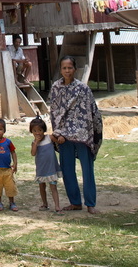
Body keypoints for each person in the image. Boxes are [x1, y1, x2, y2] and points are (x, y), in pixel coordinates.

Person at [49, 55, 103, 215]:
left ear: (75, 69)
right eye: (64, 68)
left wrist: (92, 133)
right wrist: (58, 132)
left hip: (83, 135)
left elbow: (91, 112)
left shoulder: (83, 89)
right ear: (60, 69)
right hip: (63, 136)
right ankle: (75, 202)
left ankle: (90, 203)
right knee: (67, 170)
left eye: (70, 68)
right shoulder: (55, 88)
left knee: (87, 170)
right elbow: (54, 112)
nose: (67, 71)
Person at [30, 116, 61, 212]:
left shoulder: (49, 138)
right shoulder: (34, 142)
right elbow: (33, 153)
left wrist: (59, 137)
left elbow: (59, 142)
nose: (37, 133)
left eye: (40, 130)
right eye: (35, 131)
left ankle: (57, 206)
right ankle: (44, 204)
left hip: (51, 167)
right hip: (41, 168)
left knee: (53, 186)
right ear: (32, 132)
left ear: (44, 130)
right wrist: (36, 143)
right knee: (42, 187)